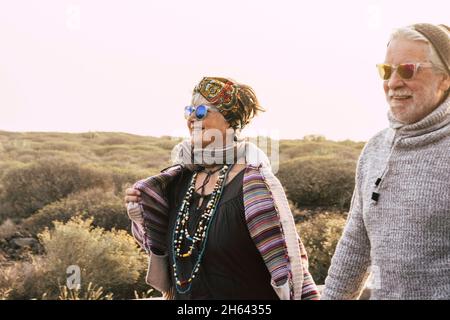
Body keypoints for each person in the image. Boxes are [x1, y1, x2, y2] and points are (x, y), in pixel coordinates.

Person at [125, 77, 319, 300]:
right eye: (189, 110)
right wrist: (143, 216)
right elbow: (165, 253)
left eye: (200, 111)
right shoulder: (176, 183)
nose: (191, 118)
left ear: (229, 121)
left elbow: (285, 259)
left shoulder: (254, 184)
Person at [322, 23, 450, 300]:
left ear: (445, 79)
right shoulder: (375, 149)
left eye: (407, 70)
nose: (393, 83)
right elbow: (355, 245)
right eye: (386, 71)